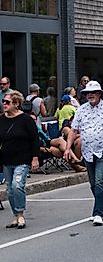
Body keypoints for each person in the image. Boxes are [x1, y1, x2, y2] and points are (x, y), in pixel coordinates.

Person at [64, 81, 103, 226]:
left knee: (100, 180)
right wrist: (67, 148)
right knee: (93, 183)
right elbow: (74, 130)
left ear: (99, 94)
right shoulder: (81, 110)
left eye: (93, 92)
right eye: (88, 93)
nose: (90, 95)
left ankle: (97, 213)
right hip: (87, 151)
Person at [0, 90, 40, 229]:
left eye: (7, 102)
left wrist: (35, 158)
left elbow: (35, 139)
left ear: (16, 103)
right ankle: (15, 215)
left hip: (22, 159)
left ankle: (21, 214)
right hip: (6, 159)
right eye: (3, 102)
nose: (4, 104)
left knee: (17, 185)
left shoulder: (26, 120)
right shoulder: (1, 119)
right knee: (9, 190)